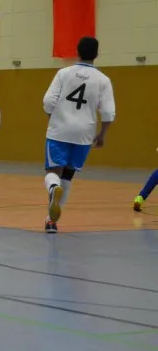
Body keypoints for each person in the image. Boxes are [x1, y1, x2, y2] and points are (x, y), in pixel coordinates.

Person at [42, 36, 116, 233]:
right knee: (68, 175)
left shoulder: (63, 73)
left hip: (59, 130)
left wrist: (54, 118)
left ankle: (52, 189)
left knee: (53, 172)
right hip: (84, 133)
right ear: (97, 54)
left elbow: (48, 101)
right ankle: (51, 221)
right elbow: (108, 112)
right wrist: (102, 134)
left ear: (77, 52)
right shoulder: (103, 80)